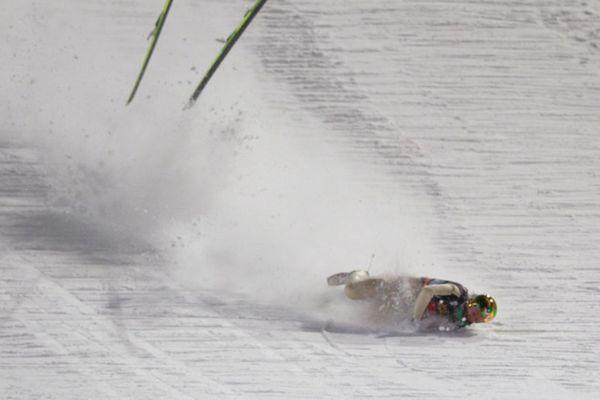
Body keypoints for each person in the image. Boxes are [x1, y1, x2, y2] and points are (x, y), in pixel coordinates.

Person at [327, 270, 497, 330]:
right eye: (476, 313)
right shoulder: (457, 293)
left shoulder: (460, 321)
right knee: (352, 292)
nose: (474, 318)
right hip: (396, 288)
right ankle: (356, 275)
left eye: (478, 320)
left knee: (364, 315)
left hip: (399, 306)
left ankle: (330, 302)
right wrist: (415, 320)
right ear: (473, 303)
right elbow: (427, 291)